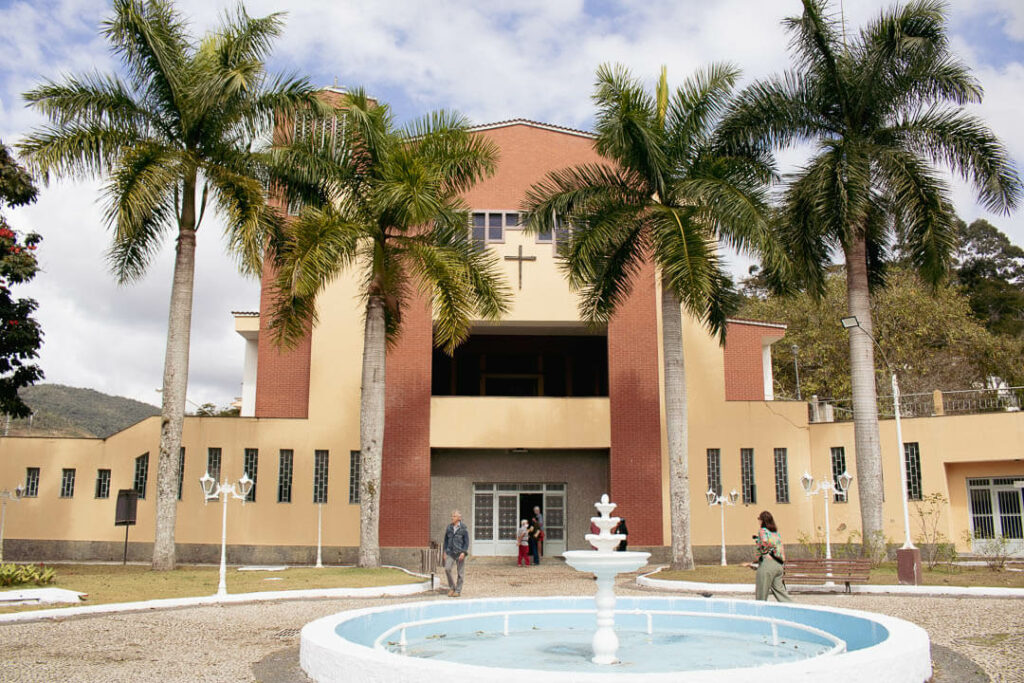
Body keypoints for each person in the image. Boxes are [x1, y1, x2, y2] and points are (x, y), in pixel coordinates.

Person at [746, 510, 793, 602]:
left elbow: (764, 542)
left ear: (762, 520)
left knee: (761, 594)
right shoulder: (776, 533)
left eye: (759, 519)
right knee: (781, 593)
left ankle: (759, 613)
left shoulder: (762, 531)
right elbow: (781, 549)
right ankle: (794, 609)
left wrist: (759, 544)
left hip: (767, 564)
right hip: (779, 565)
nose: (759, 521)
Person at [442, 509, 469, 597]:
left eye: (454, 516)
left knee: (460, 573)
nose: (452, 518)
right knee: (447, 569)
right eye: (452, 516)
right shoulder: (449, 527)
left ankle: (458, 591)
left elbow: (466, 542)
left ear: (459, 518)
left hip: (460, 553)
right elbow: (445, 540)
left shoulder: (463, 528)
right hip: (450, 552)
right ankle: (452, 587)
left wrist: (463, 553)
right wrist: (444, 552)